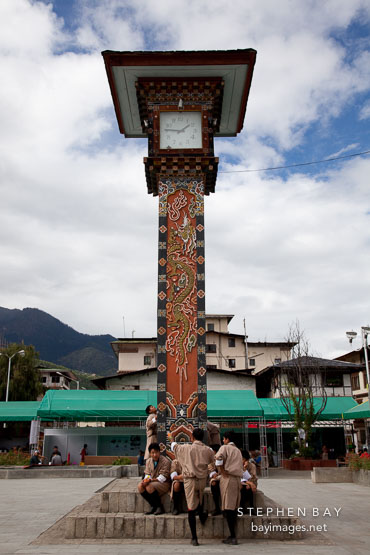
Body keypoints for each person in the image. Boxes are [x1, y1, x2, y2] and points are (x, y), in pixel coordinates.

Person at [169, 428, 215, 547]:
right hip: (202, 480)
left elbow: (174, 447)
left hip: (190, 480)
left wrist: (171, 439)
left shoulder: (186, 448)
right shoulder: (208, 450)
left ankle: (194, 538)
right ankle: (202, 514)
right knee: (199, 498)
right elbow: (213, 462)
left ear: (192, 437)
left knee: (191, 507)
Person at [215, 431, 243, 546]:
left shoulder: (224, 448)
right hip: (237, 480)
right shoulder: (238, 450)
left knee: (228, 508)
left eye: (223, 439)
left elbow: (218, 459)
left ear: (226, 439)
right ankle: (232, 535)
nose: (223, 441)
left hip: (228, 478)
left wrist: (221, 471)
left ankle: (232, 536)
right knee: (233, 507)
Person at [137, 442, 171, 515]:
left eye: (156, 452)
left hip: (164, 483)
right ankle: (153, 505)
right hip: (153, 481)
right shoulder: (149, 461)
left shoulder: (165, 461)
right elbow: (147, 473)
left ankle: (160, 507)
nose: (154, 455)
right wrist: (146, 479)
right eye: (152, 453)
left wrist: (150, 480)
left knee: (149, 486)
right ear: (150, 453)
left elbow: (163, 478)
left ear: (159, 452)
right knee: (140, 486)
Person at [240, 450, 257, 515]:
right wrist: (248, 483)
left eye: (242, 459)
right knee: (243, 487)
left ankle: (251, 507)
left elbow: (252, 478)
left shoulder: (252, 466)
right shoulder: (238, 466)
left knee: (248, 487)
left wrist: (245, 469)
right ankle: (242, 507)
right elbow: (239, 478)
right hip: (242, 483)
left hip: (252, 483)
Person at [209, 444, 222, 516]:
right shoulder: (212, 459)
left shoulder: (223, 457)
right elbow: (210, 468)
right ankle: (217, 507)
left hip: (225, 477)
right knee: (213, 483)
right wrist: (213, 474)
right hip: (217, 478)